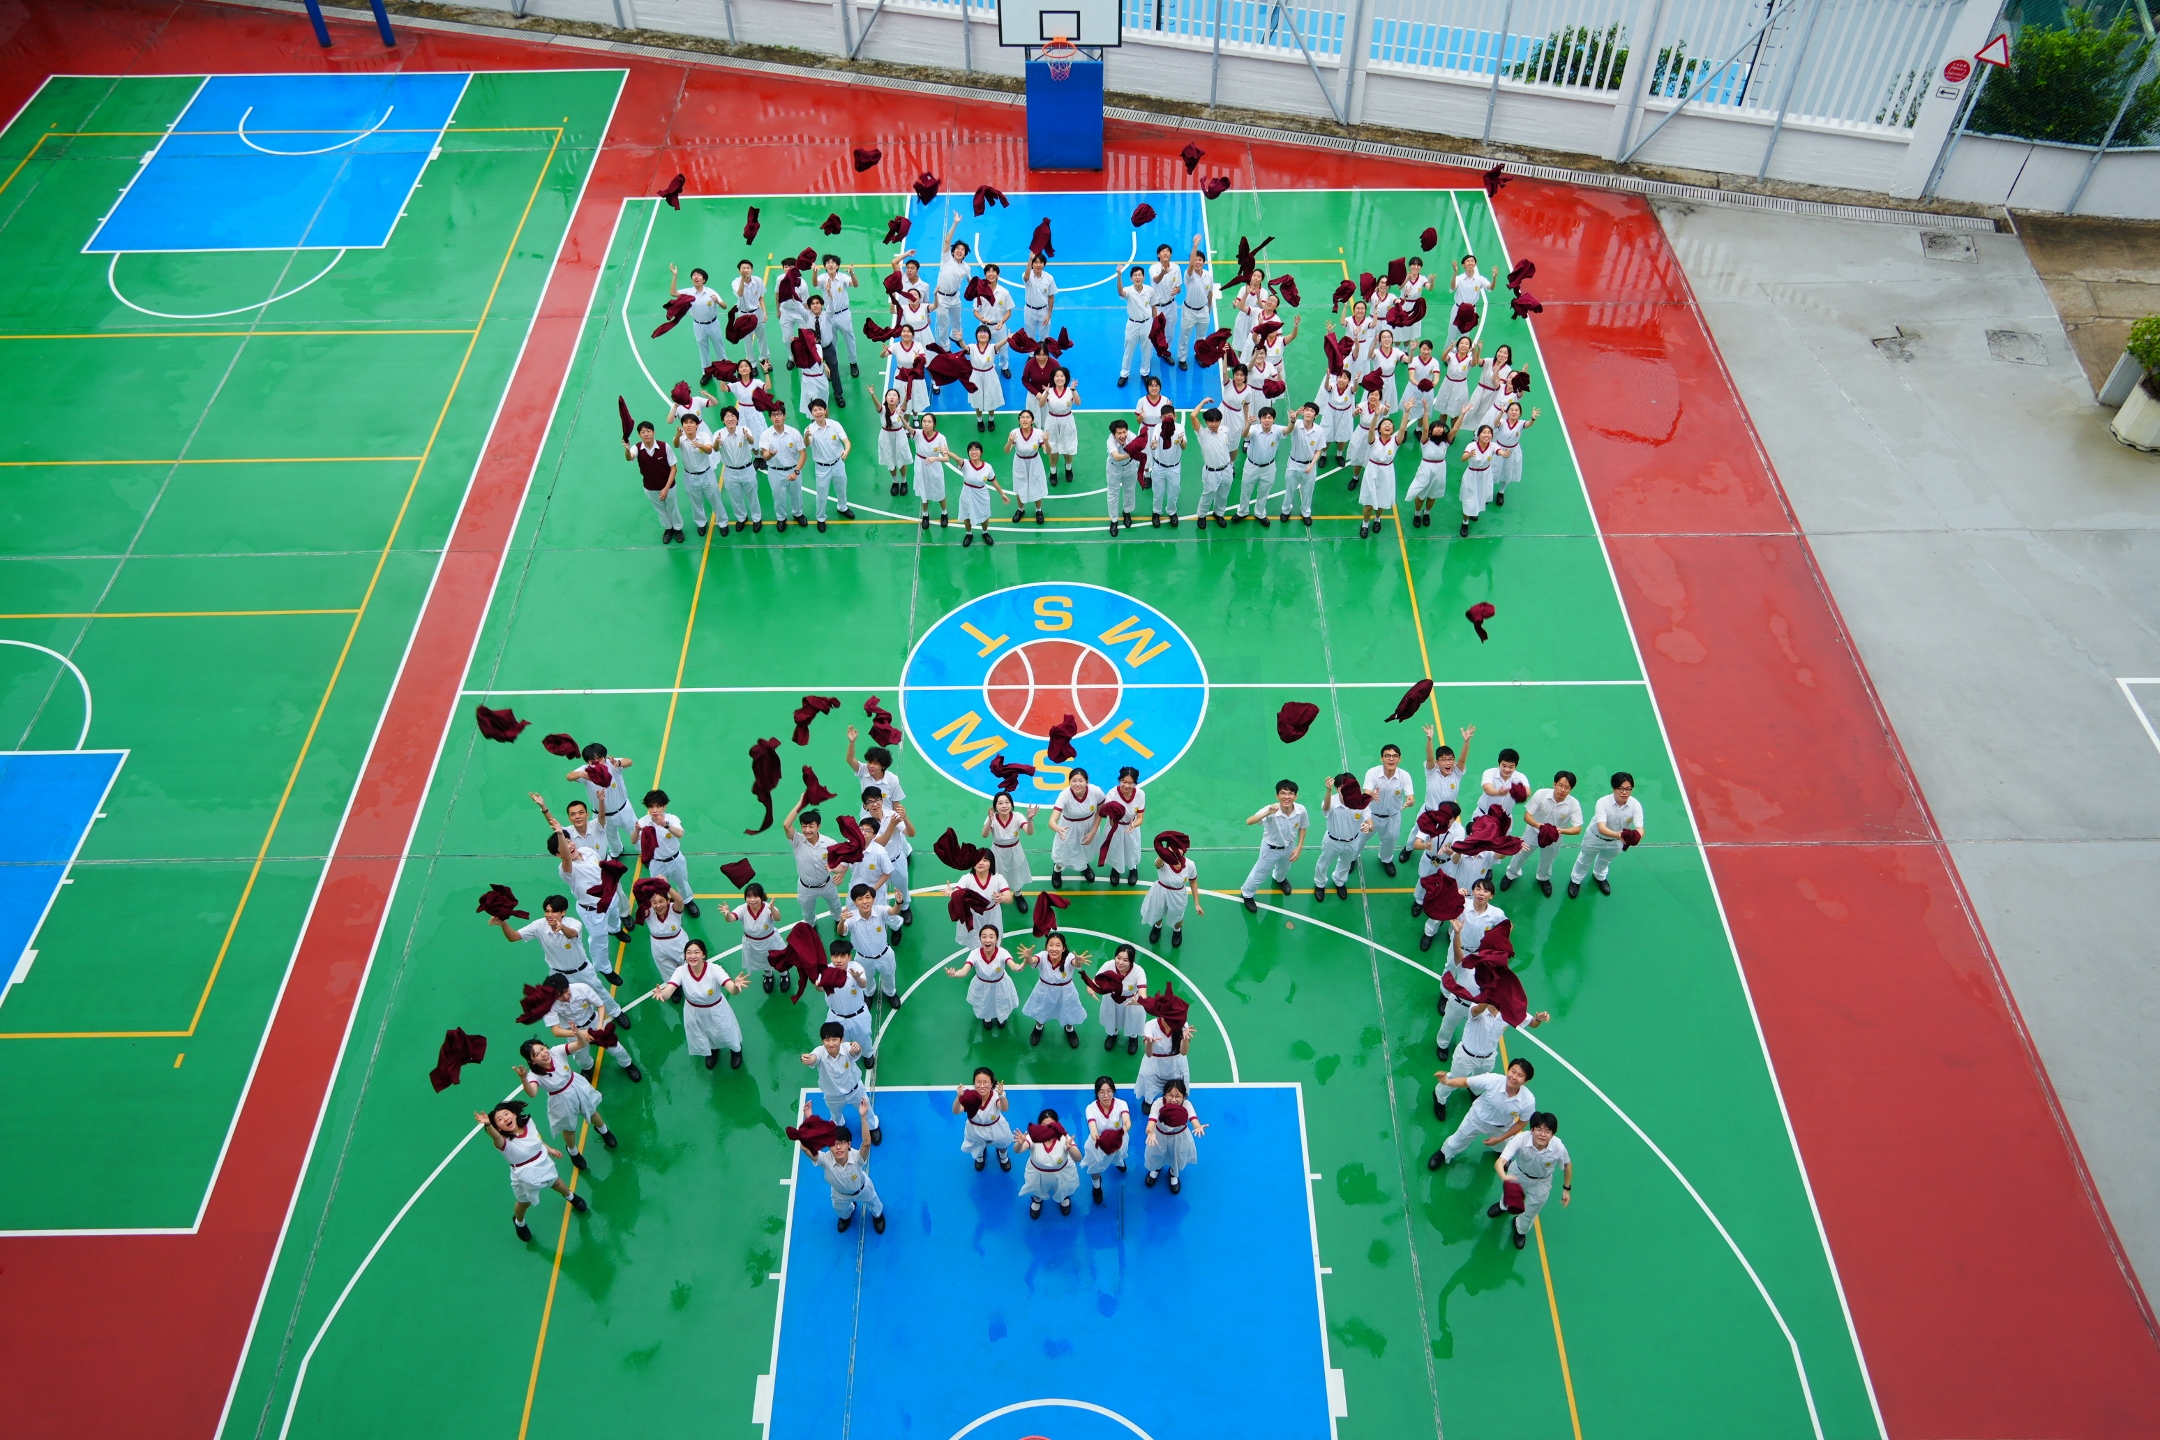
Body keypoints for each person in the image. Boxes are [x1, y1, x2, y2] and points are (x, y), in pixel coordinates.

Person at [491, 891, 624, 1019]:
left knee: (599, 991)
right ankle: (581, 1023)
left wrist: (562, 927)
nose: (549, 915)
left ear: (563, 912)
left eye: (554, 911)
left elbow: (572, 934)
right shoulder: (538, 926)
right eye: (547, 911)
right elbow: (514, 937)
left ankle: (616, 1012)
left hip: (581, 971)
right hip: (558, 974)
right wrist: (503, 924)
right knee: (562, 1002)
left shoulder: (574, 923)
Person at [476, 1100, 589, 1243]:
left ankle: (570, 1197)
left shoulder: (528, 1123)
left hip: (542, 1163)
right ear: (498, 1128)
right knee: (524, 1203)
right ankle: (519, 1222)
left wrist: (549, 1149)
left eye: (506, 1114)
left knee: (556, 1183)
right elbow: (495, 1136)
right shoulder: (503, 1142)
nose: (505, 1118)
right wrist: (488, 1124)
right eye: (499, 1119)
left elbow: (536, 1140)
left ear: (514, 1114)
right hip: (523, 1176)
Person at [516, 1036, 616, 1171]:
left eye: (542, 1049)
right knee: (569, 1129)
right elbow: (532, 1093)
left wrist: (578, 1033)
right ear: (531, 1061)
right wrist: (523, 1079)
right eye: (536, 1054)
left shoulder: (556, 1051)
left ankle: (604, 1131)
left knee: (592, 1112)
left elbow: (581, 1044)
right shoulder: (534, 1076)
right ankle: (573, 1151)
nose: (543, 1054)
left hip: (576, 1086)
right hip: (560, 1100)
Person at [653, 937, 749, 1070]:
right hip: (694, 1012)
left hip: (717, 1009)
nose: (692, 956)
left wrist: (736, 986)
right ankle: (712, 1050)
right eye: (688, 952)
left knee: (726, 1031)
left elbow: (731, 989)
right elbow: (669, 990)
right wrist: (662, 994)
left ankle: (736, 1050)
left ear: (704, 954)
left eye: (696, 952)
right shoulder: (681, 971)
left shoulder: (715, 970)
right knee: (704, 1033)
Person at [1429, 1057, 1535, 1171]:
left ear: (1525, 1081)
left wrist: (1499, 1139)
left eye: (1520, 1075)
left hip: (1502, 1128)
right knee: (1457, 1141)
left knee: (1503, 1145)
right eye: (1513, 1071)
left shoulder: (1528, 1100)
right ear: (1508, 1070)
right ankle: (1443, 1153)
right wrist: (1447, 1082)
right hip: (1477, 1119)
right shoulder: (1492, 1080)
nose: (1514, 1077)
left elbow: (1521, 1123)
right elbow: (1465, 1082)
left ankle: (1502, 1154)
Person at [540, 970, 642, 1085]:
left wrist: (600, 1025)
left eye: (566, 991)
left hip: (594, 1023)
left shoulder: (582, 988)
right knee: (581, 1058)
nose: (566, 996)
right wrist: (580, 1033)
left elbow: (600, 1006)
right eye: (560, 995)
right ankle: (587, 1067)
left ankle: (627, 1064)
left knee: (615, 1048)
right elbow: (556, 1031)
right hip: (573, 1032)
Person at [1491, 1112, 1571, 1250]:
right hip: (1518, 1174)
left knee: (1531, 1211)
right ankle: (1503, 1206)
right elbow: (1500, 1162)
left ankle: (1520, 1229)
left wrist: (1566, 1189)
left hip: (1541, 1182)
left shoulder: (1558, 1147)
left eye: (1548, 1131)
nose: (1543, 1134)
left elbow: (1567, 1165)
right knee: (1509, 1195)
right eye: (1539, 1129)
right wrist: (1505, 1177)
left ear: (1553, 1134)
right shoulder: (1520, 1139)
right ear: (1532, 1129)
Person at [804, 1105, 885, 1234]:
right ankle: (847, 1215)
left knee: (874, 1202)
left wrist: (863, 1116)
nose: (838, 1147)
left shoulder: (857, 1157)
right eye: (834, 1144)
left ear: (849, 1144)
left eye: (841, 1143)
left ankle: (878, 1216)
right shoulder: (824, 1159)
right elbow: (806, 1148)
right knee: (841, 1211)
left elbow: (866, 1143)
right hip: (839, 1195)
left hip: (863, 1189)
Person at [800, 1020, 879, 1143]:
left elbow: (855, 1053)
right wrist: (808, 1059)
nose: (831, 1044)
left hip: (855, 1092)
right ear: (822, 1041)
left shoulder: (848, 1048)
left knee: (867, 1110)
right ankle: (838, 1125)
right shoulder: (819, 1051)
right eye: (827, 1040)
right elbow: (813, 1058)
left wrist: (857, 1049)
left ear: (841, 1040)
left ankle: (873, 1127)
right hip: (833, 1096)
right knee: (835, 1115)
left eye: (834, 1039)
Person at [1504, 771, 1582, 896]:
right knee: (1520, 854)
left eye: (1567, 787)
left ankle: (1543, 878)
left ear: (1571, 789)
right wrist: (1540, 826)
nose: (1563, 790)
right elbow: (1527, 816)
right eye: (1560, 785)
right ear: (1554, 784)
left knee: (1548, 859)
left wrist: (1560, 831)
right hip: (1533, 833)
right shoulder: (1541, 794)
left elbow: (1577, 828)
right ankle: (1511, 874)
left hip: (1554, 838)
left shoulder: (1574, 804)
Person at [1570, 771, 1643, 898]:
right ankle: (1575, 880)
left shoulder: (1635, 805)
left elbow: (1640, 828)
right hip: (1595, 838)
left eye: (1628, 789)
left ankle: (1599, 876)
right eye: (1621, 788)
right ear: (1614, 788)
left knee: (1605, 860)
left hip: (1616, 842)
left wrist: (1637, 837)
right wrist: (1619, 836)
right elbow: (1601, 828)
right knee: (1584, 860)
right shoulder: (1602, 802)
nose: (1624, 792)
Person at [1240, 779, 1308, 910]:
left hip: (1289, 846)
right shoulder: (1270, 810)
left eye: (1290, 793)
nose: (1287, 797)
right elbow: (1249, 821)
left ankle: (1279, 879)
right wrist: (1267, 813)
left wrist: (1299, 847)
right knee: (1260, 873)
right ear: (1277, 796)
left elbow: (1303, 827)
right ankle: (1247, 894)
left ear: (1295, 796)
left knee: (1284, 868)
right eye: (1283, 793)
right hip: (1271, 848)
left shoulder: (1301, 810)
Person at [782, 794, 845, 931]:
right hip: (806, 887)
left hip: (827, 884)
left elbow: (843, 864)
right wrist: (800, 803)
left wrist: (839, 872)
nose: (807, 830)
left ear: (818, 826)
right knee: (807, 913)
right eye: (804, 826)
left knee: (836, 906)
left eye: (811, 826)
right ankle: (811, 926)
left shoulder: (829, 843)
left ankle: (838, 921)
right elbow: (786, 825)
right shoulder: (797, 841)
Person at [1017, 930, 1088, 1048]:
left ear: (1063, 948)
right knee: (1041, 1010)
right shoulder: (1042, 956)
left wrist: (1079, 962)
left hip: (1065, 992)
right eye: (1051, 945)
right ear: (1046, 947)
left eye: (1058, 945)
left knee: (1069, 1011)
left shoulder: (1069, 957)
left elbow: (1076, 963)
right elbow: (1032, 961)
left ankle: (1069, 1029)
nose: (1054, 948)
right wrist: (1028, 956)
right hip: (1045, 991)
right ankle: (1038, 1027)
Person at [839, 883, 903, 1012]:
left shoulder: (880, 910)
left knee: (889, 976)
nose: (865, 901)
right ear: (855, 902)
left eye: (867, 897)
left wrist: (898, 902)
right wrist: (841, 921)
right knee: (866, 979)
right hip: (863, 959)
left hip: (884, 955)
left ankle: (890, 993)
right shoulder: (851, 918)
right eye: (860, 899)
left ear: (873, 899)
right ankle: (868, 994)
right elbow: (841, 932)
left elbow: (894, 911)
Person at [1312, 772, 1373, 902]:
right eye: (1344, 788)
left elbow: (1369, 822)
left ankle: (1339, 882)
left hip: (1353, 841)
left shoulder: (1360, 802)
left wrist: (1368, 826)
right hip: (1332, 841)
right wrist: (1328, 791)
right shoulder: (1331, 801)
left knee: (1345, 864)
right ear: (1337, 788)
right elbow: (1325, 808)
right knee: (1323, 863)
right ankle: (1320, 884)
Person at [946, 922, 1019, 1031]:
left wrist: (1019, 967)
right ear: (980, 939)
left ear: (997, 939)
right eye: (984, 936)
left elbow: (1013, 965)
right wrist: (955, 974)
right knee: (984, 1002)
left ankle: (1001, 1018)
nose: (987, 940)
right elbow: (964, 971)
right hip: (982, 985)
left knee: (1001, 1002)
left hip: (1000, 984)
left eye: (991, 937)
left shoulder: (1003, 952)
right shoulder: (975, 953)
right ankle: (987, 1018)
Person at [817, 935, 879, 1062]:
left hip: (858, 1016)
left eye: (842, 956)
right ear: (831, 957)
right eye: (835, 956)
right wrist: (819, 984)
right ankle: (846, 1058)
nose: (838, 960)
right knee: (840, 1041)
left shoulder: (856, 968)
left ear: (849, 957)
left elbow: (863, 984)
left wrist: (857, 978)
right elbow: (820, 988)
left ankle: (868, 1055)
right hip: (836, 1017)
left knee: (863, 1038)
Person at [859, 786, 914, 923]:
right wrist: (892, 825)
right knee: (878, 892)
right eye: (870, 802)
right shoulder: (865, 824)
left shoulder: (892, 815)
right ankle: (886, 916)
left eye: (877, 800)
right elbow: (880, 844)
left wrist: (905, 818)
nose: (875, 804)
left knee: (902, 886)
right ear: (865, 806)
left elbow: (911, 833)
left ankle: (905, 907)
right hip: (877, 864)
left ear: (882, 801)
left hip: (896, 860)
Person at [635, 789, 695, 915]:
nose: (654, 810)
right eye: (651, 807)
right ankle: (663, 904)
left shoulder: (671, 819)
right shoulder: (643, 822)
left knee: (682, 882)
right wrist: (636, 830)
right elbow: (633, 840)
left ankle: (687, 901)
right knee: (658, 887)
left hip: (675, 859)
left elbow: (680, 834)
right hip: (656, 862)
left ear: (664, 806)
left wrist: (666, 825)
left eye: (658, 806)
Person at [1015, 1110, 1084, 1218]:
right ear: (1039, 1125)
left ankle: (1063, 1197)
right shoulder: (1033, 1136)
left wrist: (1070, 1148)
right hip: (1038, 1174)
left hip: (1062, 1173)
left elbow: (1078, 1158)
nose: (1048, 1128)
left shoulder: (1064, 1137)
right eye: (1044, 1125)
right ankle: (1037, 1199)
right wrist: (1019, 1144)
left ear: (1057, 1124)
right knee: (1036, 1188)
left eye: (1051, 1125)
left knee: (1063, 1188)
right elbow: (1018, 1150)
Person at [1143, 1077, 1206, 1195]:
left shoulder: (1186, 1104)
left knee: (1176, 1157)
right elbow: (1151, 1121)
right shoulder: (1158, 1103)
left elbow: (1193, 1118)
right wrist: (1150, 1132)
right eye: (1170, 1095)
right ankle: (1157, 1168)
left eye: (1178, 1096)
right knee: (1157, 1154)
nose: (1173, 1099)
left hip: (1179, 1138)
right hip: (1159, 1137)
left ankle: (1173, 1173)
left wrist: (1197, 1126)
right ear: (1165, 1095)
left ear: (1184, 1097)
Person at [721, 881, 786, 991]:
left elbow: (777, 918)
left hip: (770, 941)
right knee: (762, 961)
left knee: (779, 960)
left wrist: (772, 909)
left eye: (755, 896)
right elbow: (731, 918)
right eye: (749, 896)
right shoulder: (742, 909)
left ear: (761, 897)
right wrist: (727, 914)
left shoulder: (768, 907)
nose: (752, 900)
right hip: (753, 943)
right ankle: (769, 975)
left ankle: (784, 974)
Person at [1363, 745, 1417, 877]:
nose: (1391, 759)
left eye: (1395, 756)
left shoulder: (1404, 776)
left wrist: (1409, 802)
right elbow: (1366, 793)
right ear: (1381, 758)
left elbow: (1411, 798)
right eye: (1387, 756)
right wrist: (1372, 795)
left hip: (1392, 817)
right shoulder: (1372, 772)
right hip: (1371, 815)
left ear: (1399, 759)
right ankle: (1352, 858)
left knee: (1390, 841)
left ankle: (1386, 859)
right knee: (1360, 838)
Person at [1139, 833, 1201, 948]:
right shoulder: (1163, 861)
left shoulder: (1190, 865)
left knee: (1178, 915)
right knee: (1158, 911)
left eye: (1179, 848)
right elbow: (1157, 864)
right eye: (1173, 847)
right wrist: (1165, 853)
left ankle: (1177, 930)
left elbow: (1193, 882)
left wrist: (1196, 903)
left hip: (1178, 894)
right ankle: (1157, 927)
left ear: (1184, 849)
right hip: (1160, 891)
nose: (1176, 850)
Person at [625, 419, 681, 544]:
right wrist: (627, 449)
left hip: (669, 486)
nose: (646, 434)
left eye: (648, 431)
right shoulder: (637, 448)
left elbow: (673, 469)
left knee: (673, 508)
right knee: (661, 510)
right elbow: (629, 458)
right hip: (650, 488)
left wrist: (666, 488)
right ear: (639, 435)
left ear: (653, 432)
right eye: (643, 432)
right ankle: (668, 529)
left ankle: (678, 529)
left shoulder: (664, 446)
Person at [1047, 768, 1106, 887]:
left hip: (1089, 826)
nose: (1077, 784)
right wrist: (1058, 829)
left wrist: (1093, 831)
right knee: (1063, 853)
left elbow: (1101, 811)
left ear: (1087, 781)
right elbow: (1052, 821)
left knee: (1086, 849)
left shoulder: (1096, 791)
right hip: (1069, 828)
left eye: (1081, 780)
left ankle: (1084, 866)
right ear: (1069, 782)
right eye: (1074, 781)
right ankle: (1057, 870)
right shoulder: (1065, 795)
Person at [803, 397, 852, 532]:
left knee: (841, 487)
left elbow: (846, 441)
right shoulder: (810, 429)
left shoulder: (835, 425)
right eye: (815, 410)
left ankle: (842, 507)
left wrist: (846, 450)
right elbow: (807, 444)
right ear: (811, 413)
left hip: (838, 463)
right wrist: (806, 436)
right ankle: (820, 518)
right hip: (822, 467)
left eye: (820, 409)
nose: (818, 412)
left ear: (825, 410)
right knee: (822, 494)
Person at [1080, 1075, 1132, 1203]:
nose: (1106, 1096)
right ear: (1097, 1093)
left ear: (1113, 1091)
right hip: (1098, 1143)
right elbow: (1092, 1127)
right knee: (1094, 1167)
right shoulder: (1091, 1108)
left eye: (1109, 1091)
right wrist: (1097, 1138)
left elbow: (1127, 1121)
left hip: (1118, 1140)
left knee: (1118, 1156)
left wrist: (1122, 1131)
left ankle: (1118, 1162)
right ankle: (1096, 1186)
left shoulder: (1121, 1104)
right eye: (1101, 1092)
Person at [760, 398, 809, 532]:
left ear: (784, 416)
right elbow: (765, 455)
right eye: (773, 415)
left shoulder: (794, 433)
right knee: (778, 497)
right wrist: (770, 455)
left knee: (796, 495)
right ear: (770, 417)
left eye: (779, 414)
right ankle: (781, 518)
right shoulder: (766, 435)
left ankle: (798, 514)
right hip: (775, 471)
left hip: (793, 469)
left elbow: (803, 454)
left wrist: (796, 472)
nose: (777, 417)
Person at [712, 404, 763, 533]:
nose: (730, 419)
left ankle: (757, 518)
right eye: (727, 416)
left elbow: (752, 441)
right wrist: (717, 442)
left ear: (737, 419)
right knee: (736, 498)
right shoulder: (718, 434)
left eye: (733, 416)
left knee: (753, 496)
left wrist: (747, 436)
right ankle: (741, 518)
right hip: (730, 471)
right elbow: (715, 449)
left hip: (747, 469)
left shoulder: (744, 430)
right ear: (723, 420)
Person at [983, 793, 1036, 913]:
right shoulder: (992, 818)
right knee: (997, 874)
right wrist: (990, 821)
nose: (1004, 805)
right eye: (1000, 803)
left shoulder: (1017, 816)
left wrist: (1030, 819)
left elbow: (1029, 832)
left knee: (1016, 872)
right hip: (997, 852)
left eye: (1007, 802)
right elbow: (984, 834)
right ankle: (998, 896)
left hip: (1015, 850)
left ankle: (1018, 894)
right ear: (995, 806)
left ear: (1011, 805)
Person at [669, 262, 727, 372]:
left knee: (719, 347)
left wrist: (717, 302)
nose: (696, 277)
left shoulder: (710, 292)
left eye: (699, 275)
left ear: (704, 280)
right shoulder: (688, 292)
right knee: (703, 349)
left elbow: (725, 306)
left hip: (713, 323)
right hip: (698, 325)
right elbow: (673, 293)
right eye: (694, 275)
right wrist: (675, 275)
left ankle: (725, 369)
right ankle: (707, 372)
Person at [953, 1065, 1013, 1172]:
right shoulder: (969, 1096)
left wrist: (1002, 1095)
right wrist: (958, 1097)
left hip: (996, 1127)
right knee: (977, 1144)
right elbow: (956, 1111)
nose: (982, 1086)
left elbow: (1004, 1108)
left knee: (1002, 1143)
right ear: (974, 1083)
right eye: (978, 1082)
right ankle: (980, 1157)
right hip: (974, 1129)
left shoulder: (996, 1095)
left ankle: (1003, 1156)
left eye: (985, 1082)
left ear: (991, 1083)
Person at [1092, 942, 1148, 1054]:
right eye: (1118, 958)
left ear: (1131, 961)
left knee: (1132, 1021)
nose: (1120, 962)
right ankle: (1113, 1034)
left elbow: (1143, 993)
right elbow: (1094, 982)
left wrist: (1139, 1001)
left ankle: (1133, 1037)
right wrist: (1092, 990)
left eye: (1125, 960)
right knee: (1112, 1018)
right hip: (1111, 999)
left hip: (1131, 1002)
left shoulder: (1138, 971)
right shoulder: (1109, 965)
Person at [950, 851, 1012, 948]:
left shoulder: (998, 878)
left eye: (985, 860)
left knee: (994, 939)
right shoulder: (966, 879)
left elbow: (1009, 898)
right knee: (975, 940)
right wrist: (953, 894)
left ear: (991, 863)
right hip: (973, 915)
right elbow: (957, 893)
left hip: (992, 915)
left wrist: (1002, 898)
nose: (980, 863)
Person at [1356, 412, 1400, 542]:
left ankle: (1377, 519)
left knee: (1382, 501)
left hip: (1387, 471)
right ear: (1379, 429)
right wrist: (1376, 416)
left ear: (1393, 429)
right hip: (1372, 470)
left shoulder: (1395, 441)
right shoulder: (1373, 439)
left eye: (1390, 424)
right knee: (1369, 503)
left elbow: (1403, 428)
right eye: (1384, 424)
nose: (1387, 425)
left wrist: (1407, 412)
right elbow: (1371, 429)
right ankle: (1365, 524)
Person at [1135, 1005, 1191, 1107]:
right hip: (1154, 1062)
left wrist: (1185, 1039)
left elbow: (1183, 1052)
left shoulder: (1182, 1025)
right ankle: (1148, 1101)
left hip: (1176, 1063)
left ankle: (1174, 1102)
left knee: (1176, 1086)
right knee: (1150, 1084)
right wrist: (1149, 1043)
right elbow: (1149, 1054)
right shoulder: (1150, 1025)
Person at [1192, 405, 1237, 530]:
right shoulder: (1202, 434)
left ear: (1220, 421)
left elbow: (1228, 447)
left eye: (1216, 421)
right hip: (1211, 471)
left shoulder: (1225, 431)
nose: (1214, 424)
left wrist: (1230, 463)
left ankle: (1219, 514)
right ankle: (1201, 516)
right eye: (1210, 421)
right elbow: (1193, 416)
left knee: (1223, 494)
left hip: (1226, 469)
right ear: (1206, 422)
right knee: (1208, 494)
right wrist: (1204, 401)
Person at [1405, 411, 1453, 530]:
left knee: (1432, 496)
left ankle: (1426, 512)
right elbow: (1425, 428)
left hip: (1440, 470)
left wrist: (1463, 414)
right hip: (1426, 469)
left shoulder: (1445, 442)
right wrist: (1426, 411)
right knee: (1421, 495)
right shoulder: (1425, 441)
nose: (1439, 429)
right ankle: (1417, 513)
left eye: (1441, 427)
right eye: (1436, 427)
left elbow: (1455, 430)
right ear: (1431, 431)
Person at [955, 439, 1006, 549]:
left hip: (982, 494)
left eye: (976, 449)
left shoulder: (987, 467)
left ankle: (985, 532)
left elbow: (994, 481)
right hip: (967, 493)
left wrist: (1002, 494)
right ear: (968, 452)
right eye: (971, 449)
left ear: (981, 452)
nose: (974, 452)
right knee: (967, 514)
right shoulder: (965, 464)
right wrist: (947, 452)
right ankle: (969, 534)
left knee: (985, 515)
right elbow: (957, 458)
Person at [817, 254, 860, 380]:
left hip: (843, 313)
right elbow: (814, 283)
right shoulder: (822, 278)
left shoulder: (843, 277)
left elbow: (855, 284)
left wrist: (852, 273)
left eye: (833, 262)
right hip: (829, 314)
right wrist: (814, 272)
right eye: (828, 262)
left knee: (849, 339)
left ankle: (853, 363)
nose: (830, 264)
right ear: (825, 266)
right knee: (830, 341)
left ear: (837, 266)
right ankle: (831, 367)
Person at [1491, 399, 1541, 506]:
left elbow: (1528, 424)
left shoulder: (1521, 424)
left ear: (1520, 413)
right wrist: (1500, 413)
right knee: (1493, 470)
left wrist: (1532, 418)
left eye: (1516, 410)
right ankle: (1488, 491)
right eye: (1511, 410)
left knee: (1507, 472)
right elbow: (1495, 424)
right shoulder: (1502, 421)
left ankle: (1501, 492)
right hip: (1499, 450)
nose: (1513, 412)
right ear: (1507, 411)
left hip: (1512, 452)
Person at [932, 218, 974, 349]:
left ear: (965, 254)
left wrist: (974, 289)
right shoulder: (947, 258)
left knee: (957, 321)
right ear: (953, 251)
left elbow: (970, 282)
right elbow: (947, 241)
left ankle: (955, 336)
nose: (959, 251)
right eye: (957, 248)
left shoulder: (966, 267)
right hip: (941, 298)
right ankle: (945, 347)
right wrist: (955, 223)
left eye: (962, 250)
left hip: (955, 297)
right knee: (943, 325)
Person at [1279, 400, 1321, 527]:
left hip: (1309, 465)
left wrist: (1312, 464)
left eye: (1312, 411)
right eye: (1306, 410)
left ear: (1315, 415)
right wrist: (1294, 416)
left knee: (1308, 491)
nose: (1308, 412)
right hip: (1294, 464)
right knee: (1289, 489)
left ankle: (1306, 512)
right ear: (1303, 412)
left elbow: (1319, 450)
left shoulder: (1319, 430)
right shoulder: (1296, 424)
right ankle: (1286, 510)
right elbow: (1289, 429)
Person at [1100, 766, 1146, 883]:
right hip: (1115, 826)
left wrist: (1133, 825)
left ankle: (1133, 868)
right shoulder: (1112, 794)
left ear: (1135, 783)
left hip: (1132, 826)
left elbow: (1140, 818)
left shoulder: (1140, 794)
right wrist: (1113, 821)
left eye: (1130, 783)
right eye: (1123, 781)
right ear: (1120, 780)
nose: (1126, 785)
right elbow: (1110, 818)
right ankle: (1116, 868)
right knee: (1115, 848)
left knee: (1132, 849)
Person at [1004, 408, 1050, 525]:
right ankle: (1020, 509)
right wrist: (1009, 442)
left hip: (1035, 462)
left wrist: (1046, 442)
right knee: (1020, 486)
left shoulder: (1038, 433)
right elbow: (1007, 451)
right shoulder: (1014, 433)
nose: (1025, 419)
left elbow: (1048, 452)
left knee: (1037, 485)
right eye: (1022, 417)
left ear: (1032, 420)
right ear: (1019, 420)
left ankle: (1038, 510)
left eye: (1027, 417)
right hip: (1020, 462)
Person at [1236, 405, 1280, 526]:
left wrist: (1292, 421)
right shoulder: (1254, 429)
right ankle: (1242, 512)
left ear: (1274, 419)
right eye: (1264, 417)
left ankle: (1260, 513)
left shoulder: (1277, 430)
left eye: (1269, 417)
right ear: (1260, 419)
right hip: (1252, 465)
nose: (1267, 420)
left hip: (1269, 466)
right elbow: (1244, 435)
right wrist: (1248, 424)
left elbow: (1288, 430)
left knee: (1264, 491)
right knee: (1246, 489)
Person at [911, 411, 954, 531]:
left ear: (934, 424)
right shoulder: (918, 434)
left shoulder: (941, 438)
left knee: (939, 491)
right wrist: (900, 416)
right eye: (924, 421)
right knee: (924, 491)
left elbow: (946, 458)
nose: (926, 424)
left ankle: (944, 512)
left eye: (929, 422)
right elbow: (908, 428)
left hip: (935, 466)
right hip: (921, 466)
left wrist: (935, 458)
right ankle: (925, 515)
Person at [974, 261, 1015, 377]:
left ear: (998, 274)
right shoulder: (980, 292)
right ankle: (987, 366)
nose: (991, 274)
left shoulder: (1004, 292)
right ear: (985, 274)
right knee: (984, 347)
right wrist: (980, 318)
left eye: (993, 271)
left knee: (1003, 348)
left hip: (999, 326)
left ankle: (1004, 366)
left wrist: (1002, 321)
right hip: (984, 327)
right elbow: (976, 311)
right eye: (988, 271)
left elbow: (1009, 311)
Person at [1147, 406, 1186, 528]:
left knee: (1173, 493)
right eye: (1164, 417)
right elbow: (1153, 444)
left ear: (1175, 416)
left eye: (1169, 417)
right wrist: (1153, 445)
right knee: (1158, 493)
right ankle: (1156, 512)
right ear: (1161, 418)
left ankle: (1172, 512)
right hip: (1159, 467)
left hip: (1174, 468)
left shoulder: (1179, 428)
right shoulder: (1158, 428)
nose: (1167, 419)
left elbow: (1184, 446)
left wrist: (1181, 441)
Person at [1041, 366, 1080, 487]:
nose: (1059, 378)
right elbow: (1041, 404)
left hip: (1067, 421)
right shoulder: (1049, 391)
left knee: (1068, 447)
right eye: (1057, 376)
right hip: (1052, 421)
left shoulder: (1070, 390)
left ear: (1066, 378)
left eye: (1062, 376)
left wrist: (1073, 390)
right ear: (1053, 378)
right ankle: (1053, 472)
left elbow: (1078, 402)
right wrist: (1046, 394)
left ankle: (1068, 468)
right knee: (1052, 448)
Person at [730, 257, 770, 372]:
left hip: (757, 312)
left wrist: (764, 311)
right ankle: (752, 364)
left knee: (762, 337)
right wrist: (743, 280)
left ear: (752, 270)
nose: (746, 270)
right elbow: (740, 294)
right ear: (739, 271)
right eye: (743, 268)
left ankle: (764, 359)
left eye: (748, 268)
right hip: (744, 315)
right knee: (747, 340)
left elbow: (761, 297)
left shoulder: (758, 281)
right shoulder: (736, 282)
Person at [870, 385, 911, 497]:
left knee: (901, 460)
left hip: (899, 436)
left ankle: (904, 481)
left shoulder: (900, 410)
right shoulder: (882, 410)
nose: (892, 397)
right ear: (885, 398)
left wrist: (907, 395)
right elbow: (876, 404)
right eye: (889, 395)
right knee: (890, 460)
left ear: (898, 399)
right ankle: (895, 482)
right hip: (886, 438)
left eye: (894, 395)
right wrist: (873, 394)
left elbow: (905, 403)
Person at [1117, 263, 1154, 386]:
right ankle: (1124, 374)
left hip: (1147, 323)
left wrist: (1156, 324)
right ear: (1131, 278)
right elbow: (1120, 292)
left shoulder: (1149, 290)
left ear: (1143, 277)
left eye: (1139, 275)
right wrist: (1119, 276)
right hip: (1132, 324)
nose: (1137, 277)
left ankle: (1145, 373)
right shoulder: (1129, 290)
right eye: (1135, 275)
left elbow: (1153, 306)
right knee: (1128, 349)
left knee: (1147, 349)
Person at [969, 323, 1009, 434]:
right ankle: (979, 420)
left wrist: (1008, 338)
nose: (982, 334)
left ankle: (991, 420)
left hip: (990, 376)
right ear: (976, 335)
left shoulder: (992, 347)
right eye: (980, 332)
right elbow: (964, 348)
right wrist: (960, 339)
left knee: (990, 399)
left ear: (989, 336)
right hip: (976, 377)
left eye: (985, 332)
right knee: (977, 399)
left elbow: (1000, 344)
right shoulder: (972, 347)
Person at [1105, 419, 1140, 535]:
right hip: (1114, 468)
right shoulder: (1110, 441)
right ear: (1113, 434)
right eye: (1119, 433)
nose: (1123, 435)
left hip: (1130, 466)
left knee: (1129, 490)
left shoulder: (1132, 437)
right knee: (1113, 494)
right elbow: (1116, 457)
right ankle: (1114, 520)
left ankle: (1127, 512)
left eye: (1124, 432)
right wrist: (1132, 453)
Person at [1449, 254, 1497, 337]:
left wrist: (1494, 278)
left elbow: (1490, 287)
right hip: (1458, 309)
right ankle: (1450, 346)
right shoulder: (1459, 278)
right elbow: (1453, 287)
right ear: (1463, 265)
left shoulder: (1480, 279)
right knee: (1452, 334)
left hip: (1470, 311)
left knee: (1465, 335)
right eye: (1468, 261)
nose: (1470, 263)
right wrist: (1455, 273)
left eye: (1472, 261)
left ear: (1475, 264)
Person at [1020, 252, 1057, 340]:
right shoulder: (1027, 275)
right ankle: (1031, 350)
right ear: (1032, 264)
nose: (1038, 265)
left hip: (1044, 310)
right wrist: (1030, 259)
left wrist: (1049, 314)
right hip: (1029, 310)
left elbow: (1051, 296)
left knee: (1045, 337)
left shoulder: (1049, 278)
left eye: (1041, 262)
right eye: (1036, 262)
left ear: (1044, 264)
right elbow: (1026, 278)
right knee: (1029, 337)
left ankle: (1043, 349)